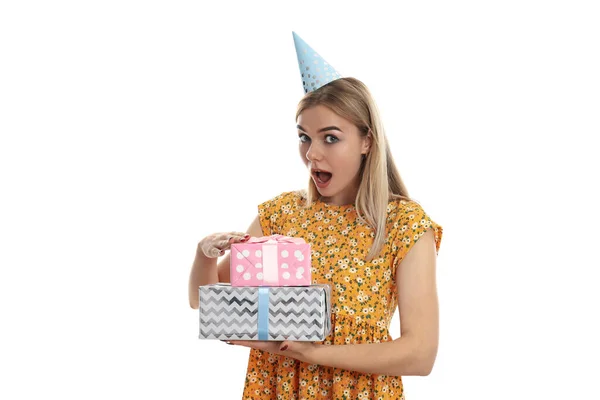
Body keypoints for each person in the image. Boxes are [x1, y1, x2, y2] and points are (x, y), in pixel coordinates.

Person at [188, 32, 443, 400]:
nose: (312, 154)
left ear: (366, 141)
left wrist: (315, 354)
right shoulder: (280, 215)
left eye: (330, 138)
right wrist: (204, 254)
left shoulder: (403, 225)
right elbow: (205, 302)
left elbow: (421, 354)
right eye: (304, 137)